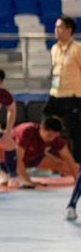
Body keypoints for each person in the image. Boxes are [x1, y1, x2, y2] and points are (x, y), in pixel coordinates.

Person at [0, 117, 78, 188]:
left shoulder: (56, 138)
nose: (51, 139)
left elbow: (68, 157)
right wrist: (29, 181)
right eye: (49, 135)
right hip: (12, 159)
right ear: (41, 128)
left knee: (75, 168)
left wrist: (76, 178)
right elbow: (18, 159)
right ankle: (5, 171)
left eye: (54, 136)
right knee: (0, 142)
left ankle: (19, 176)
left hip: (35, 157)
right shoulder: (27, 131)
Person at [43, 16, 81, 164]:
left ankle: (77, 164)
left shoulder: (77, 49)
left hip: (73, 95)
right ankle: (48, 157)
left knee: (74, 131)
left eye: (60, 27)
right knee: (46, 123)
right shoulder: (54, 49)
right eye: (55, 27)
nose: (56, 30)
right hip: (55, 94)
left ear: (69, 30)